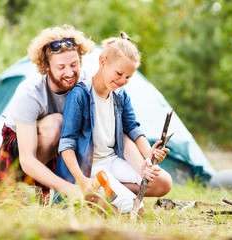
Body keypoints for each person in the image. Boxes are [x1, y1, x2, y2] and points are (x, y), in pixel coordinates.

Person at [54, 32, 173, 213]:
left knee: (163, 182)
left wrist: (149, 153)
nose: (122, 81)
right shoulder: (80, 94)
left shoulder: (120, 95)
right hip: (90, 168)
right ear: (103, 62)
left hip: (113, 161)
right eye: (119, 73)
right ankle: (92, 193)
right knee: (136, 210)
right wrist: (81, 180)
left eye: (128, 77)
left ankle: (108, 194)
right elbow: (66, 144)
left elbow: (133, 128)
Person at [0, 25, 95, 198]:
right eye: (61, 67)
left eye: (74, 64)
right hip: (22, 148)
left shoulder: (86, 85)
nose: (69, 73)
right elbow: (27, 160)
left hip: (62, 149)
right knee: (57, 123)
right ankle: (24, 189)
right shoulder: (30, 92)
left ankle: (55, 193)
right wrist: (70, 190)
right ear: (46, 66)